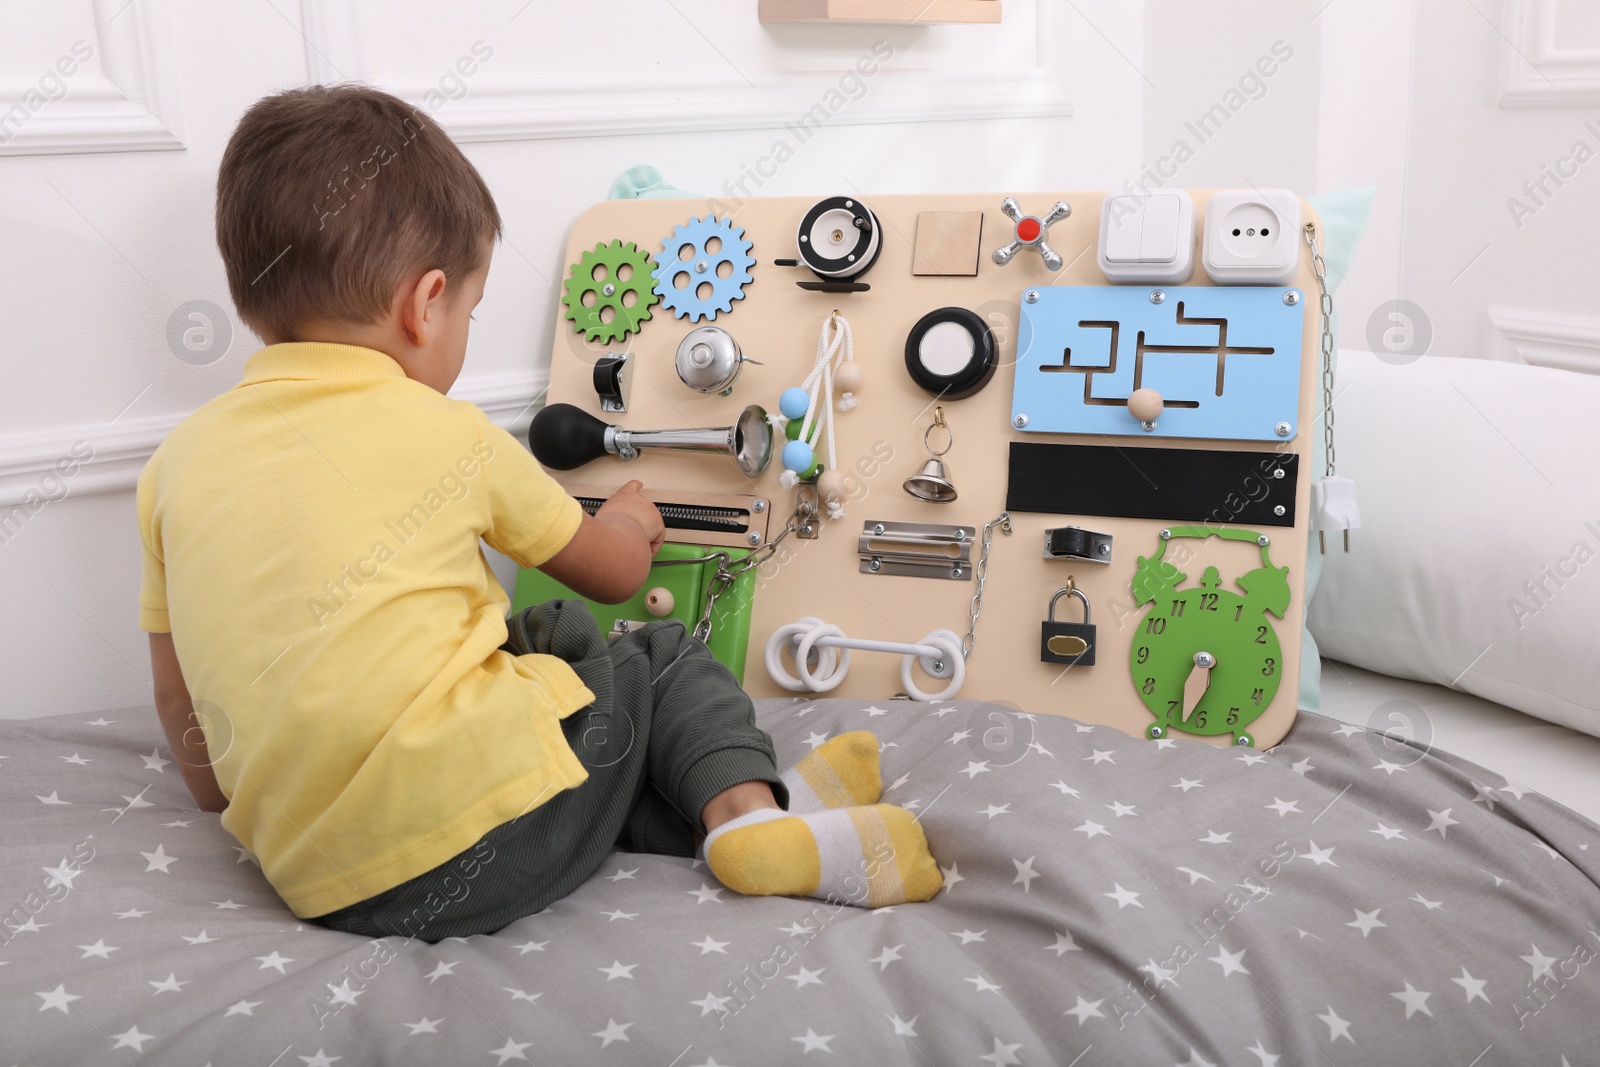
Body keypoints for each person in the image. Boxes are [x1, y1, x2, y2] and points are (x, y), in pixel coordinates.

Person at [137, 85, 939, 942]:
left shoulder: (174, 464)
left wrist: (246, 798)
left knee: (548, 636)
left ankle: (744, 809)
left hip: (326, 878)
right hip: (478, 837)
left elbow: (179, 703)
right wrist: (632, 517)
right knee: (657, 659)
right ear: (426, 302)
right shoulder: (448, 432)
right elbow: (616, 571)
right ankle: (751, 815)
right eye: (471, 313)